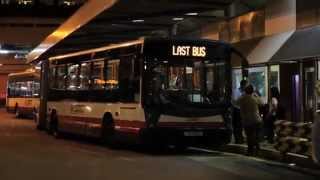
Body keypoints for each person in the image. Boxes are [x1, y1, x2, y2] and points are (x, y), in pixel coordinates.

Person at [235, 84, 264, 156]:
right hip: (256, 119)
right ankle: (257, 149)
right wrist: (256, 95)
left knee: (249, 136)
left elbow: (235, 103)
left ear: (245, 91)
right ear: (252, 91)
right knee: (255, 136)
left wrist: (243, 95)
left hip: (247, 120)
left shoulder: (242, 98)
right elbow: (262, 103)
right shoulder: (254, 97)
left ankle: (250, 151)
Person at [232, 79, 248, 144]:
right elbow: (235, 102)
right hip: (236, 110)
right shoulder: (236, 91)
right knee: (237, 126)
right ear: (243, 85)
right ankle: (237, 140)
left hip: (242, 111)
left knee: (241, 126)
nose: (246, 87)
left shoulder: (245, 92)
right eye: (246, 86)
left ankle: (240, 139)